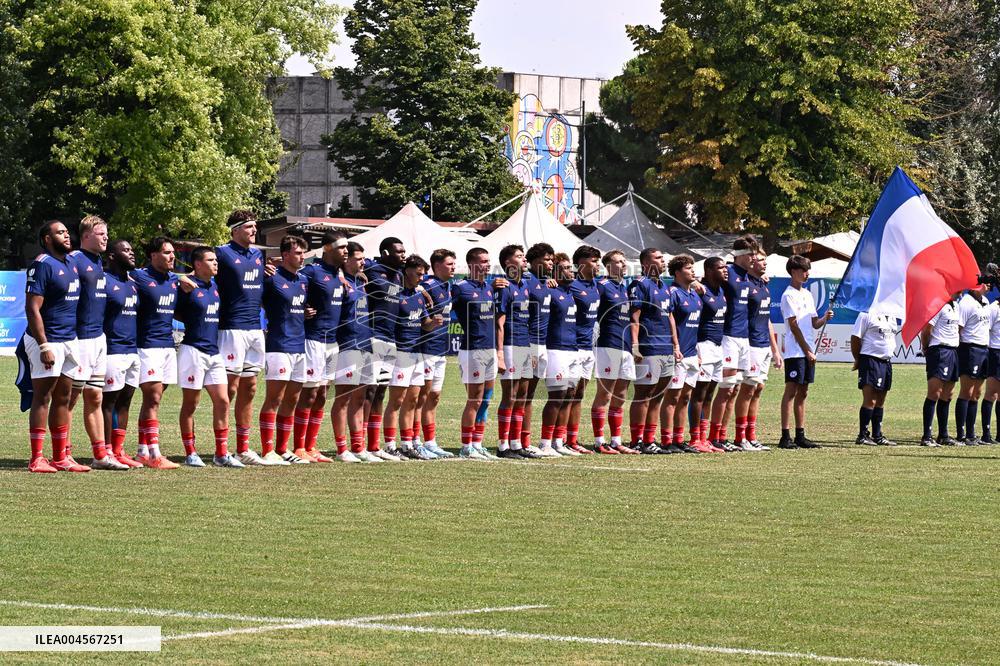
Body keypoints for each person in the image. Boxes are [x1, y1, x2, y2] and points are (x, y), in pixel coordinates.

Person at [23, 221, 87, 473]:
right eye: (59, 232)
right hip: (48, 340)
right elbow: (32, 308)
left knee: (64, 397)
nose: (66, 235)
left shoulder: (70, 263)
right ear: (47, 239)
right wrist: (43, 345)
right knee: (43, 397)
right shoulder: (42, 264)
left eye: (66, 231)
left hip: (69, 340)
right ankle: (37, 457)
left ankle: (61, 457)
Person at [67, 216, 128, 470]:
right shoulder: (74, 260)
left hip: (98, 339)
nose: (106, 238)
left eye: (106, 234)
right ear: (86, 236)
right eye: (101, 233)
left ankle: (100, 455)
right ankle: (64, 453)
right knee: (69, 399)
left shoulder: (99, 261)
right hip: (80, 338)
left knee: (95, 397)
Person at [175, 246, 243, 467]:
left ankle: (221, 453)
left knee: (223, 401)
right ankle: (190, 452)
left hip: (214, 352)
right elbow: (169, 284)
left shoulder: (214, 286)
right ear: (197, 264)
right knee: (191, 404)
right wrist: (180, 279)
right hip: (192, 350)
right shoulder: (185, 286)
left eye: (216, 259)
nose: (216, 263)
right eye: (210, 260)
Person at [213, 210, 269, 465]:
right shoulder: (222, 253)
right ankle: (221, 450)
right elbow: (203, 271)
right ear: (235, 230)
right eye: (249, 227)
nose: (254, 231)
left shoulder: (258, 255)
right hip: (231, 328)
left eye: (255, 226)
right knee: (230, 389)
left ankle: (243, 449)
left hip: (255, 329)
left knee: (251, 387)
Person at [257, 235, 313, 464]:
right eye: (298, 253)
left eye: (303, 253)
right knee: (275, 398)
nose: (302, 257)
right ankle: (267, 450)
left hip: (300, 345)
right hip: (278, 345)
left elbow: (298, 306)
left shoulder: (303, 280)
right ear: (286, 254)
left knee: (292, 398)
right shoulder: (271, 278)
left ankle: (283, 449)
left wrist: (306, 312)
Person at [295, 230, 349, 463]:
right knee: (308, 394)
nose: (346, 251)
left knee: (322, 395)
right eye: (341, 247)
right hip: (313, 340)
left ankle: (311, 446)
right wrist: (303, 309)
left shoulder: (338, 274)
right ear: (327, 248)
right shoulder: (311, 272)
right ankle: (298, 447)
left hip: (331, 342)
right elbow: (293, 291)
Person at [384, 255, 441, 459]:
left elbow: (424, 323)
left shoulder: (418, 296)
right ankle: (390, 445)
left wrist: (433, 322)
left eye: (424, 273)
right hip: (401, 353)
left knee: (413, 400)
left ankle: (407, 443)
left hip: (417, 353)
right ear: (407, 271)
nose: (422, 277)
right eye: (419, 273)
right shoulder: (396, 295)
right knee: (396, 400)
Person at [132, 236, 181, 469]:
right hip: (147, 345)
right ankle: (154, 453)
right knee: (152, 398)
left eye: (172, 252)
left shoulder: (174, 280)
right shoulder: (139, 277)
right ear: (153, 255)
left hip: (168, 346)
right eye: (166, 252)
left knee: (154, 400)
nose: (172, 256)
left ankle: (142, 451)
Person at [709, 235, 759, 449]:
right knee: (726, 388)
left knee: (736, 389)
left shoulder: (748, 278)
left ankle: (724, 436)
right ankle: (714, 437)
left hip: (744, 338)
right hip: (728, 337)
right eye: (750, 255)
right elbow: (706, 279)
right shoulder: (728, 272)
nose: (753, 259)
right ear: (740, 256)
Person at [778, 255, 832, 449]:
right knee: (791, 391)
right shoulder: (788, 295)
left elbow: (814, 324)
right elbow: (794, 327)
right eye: (803, 270)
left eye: (808, 270)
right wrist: (807, 350)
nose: (807, 274)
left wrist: (825, 317)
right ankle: (785, 436)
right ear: (794, 272)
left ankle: (801, 435)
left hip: (808, 351)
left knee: (804, 392)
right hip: (796, 352)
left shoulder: (808, 294)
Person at [628, 247, 677, 454]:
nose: (663, 260)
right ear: (646, 263)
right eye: (658, 258)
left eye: (663, 257)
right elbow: (634, 317)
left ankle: (649, 440)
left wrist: (675, 345)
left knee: (658, 395)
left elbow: (670, 316)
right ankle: (637, 440)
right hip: (649, 347)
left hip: (666, 347)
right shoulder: (640, 285)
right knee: (643, 394)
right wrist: (635, 345)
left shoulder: (665, 286)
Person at [331, 242, 376, 463]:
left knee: (361, 396)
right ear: (345, 259)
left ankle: (358, 447)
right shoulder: (338, 282)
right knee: (343, 398)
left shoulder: (360, 281)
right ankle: (342, 449)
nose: (363, 262)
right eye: (358, 258)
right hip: (347, 344)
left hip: (365, 343)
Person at [452, 247, 498, 459]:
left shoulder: (488, 287)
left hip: (490, 350)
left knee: (486, 399)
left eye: (488, 261)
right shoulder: (460, 288)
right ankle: (466, 446)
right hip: (473, 350)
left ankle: (478, 443)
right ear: (471, 264)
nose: (487, 265)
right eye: (483, 261)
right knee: (475, 400)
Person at [733, 251, 782, 451]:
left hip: (763, 345)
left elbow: (767, 319)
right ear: (750, 262)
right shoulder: (744, 284)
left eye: (765, 260)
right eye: (760, 260)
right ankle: (740, 437)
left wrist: (775, 350)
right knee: (747, 389)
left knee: (758, 389)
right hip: (750, 343)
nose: (764, 263)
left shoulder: (763, 285)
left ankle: (751, 436)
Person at [101, 239, 144, 467]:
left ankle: (118, 451)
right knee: (108, 402)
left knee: (125, 401)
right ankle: (106, 450)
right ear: (111, 256)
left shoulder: (134, 282)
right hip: (112, 351)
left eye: (131, 249)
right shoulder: (104, 281)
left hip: (132, 350)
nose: (131, 253)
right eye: (125, 250)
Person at [591, 249, 637, 454]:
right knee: (605, 394)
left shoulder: (625, 288)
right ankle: (599, 441)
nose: (623, 264)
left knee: (620, 394)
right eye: (618, 261)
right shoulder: (601, 286)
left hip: (625, 346)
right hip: (607, 345)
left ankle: (616, 440)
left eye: (624, 261)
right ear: (607, 266)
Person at [365, 236, 407, 458]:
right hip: (373, 337)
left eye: (403, 251)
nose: (403, 254)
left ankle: (374, 446)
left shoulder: (398, 275)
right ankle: (360, 444)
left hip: (390, 339)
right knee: (369, 390)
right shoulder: (373, 270)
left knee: (381, 391)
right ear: (385, 253)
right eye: (399, 251)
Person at [495, 244, 538, 458]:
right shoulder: (504, 286)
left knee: (522, 395)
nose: (524, 260)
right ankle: (503, 446)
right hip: (510, 344)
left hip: (524, 343)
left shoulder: (524, 285)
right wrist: (500, 353)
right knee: (510, 395)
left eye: (524, 257)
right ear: (508, 263)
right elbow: (499, 323)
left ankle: (516, 443)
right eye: (519, 257)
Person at [664, 254, 708, 452]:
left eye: (693, 267)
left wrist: (697, 351)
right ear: (677, 272)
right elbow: (668, 320)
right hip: (679, 353)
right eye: (689, 268)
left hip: (692, 353)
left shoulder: (694, 295)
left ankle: (679, 439)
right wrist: (675, 347)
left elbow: (695, 327)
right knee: (672, 397)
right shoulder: (672, 293)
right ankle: (667, 440)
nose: (693, 271)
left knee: (685, 397)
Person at [416, 248, 456, 458]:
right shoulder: (428, 285)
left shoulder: (448, 286)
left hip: (441, 349)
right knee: (421, 397)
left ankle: (430, 441)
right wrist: (419, 289)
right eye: (450, 264)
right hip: (426, 348)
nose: (454, 267)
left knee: (434, 397)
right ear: (437, 266)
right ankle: (414, 441)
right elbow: (412, 288)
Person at [539, 253, 581, 456]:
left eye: (571, 267)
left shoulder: (571, 291)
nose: (570, 270)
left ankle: (558, 442)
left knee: (570, 396)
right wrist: (546, 281)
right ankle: (545, 442)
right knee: (557, 395)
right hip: (556, 348)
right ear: (555, 272)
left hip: (573, 349)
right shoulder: (551, 291)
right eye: (565, 268)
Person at [563, 245, 602, 454]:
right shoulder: (572, 285)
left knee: (579, 395)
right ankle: (557, 440)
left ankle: (572, 440)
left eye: (598, 261)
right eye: (594, 261)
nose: (598, 265)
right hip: (572, 347)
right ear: (581, 264)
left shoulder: (597, 285)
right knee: (566, 394)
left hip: (589, 348)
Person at [692, 257, 730, 451]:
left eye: (725, 267)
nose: (725, 270)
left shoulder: (722, 290)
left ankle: (704, 438)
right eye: (720, 267)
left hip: (717, 346)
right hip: (703, 345)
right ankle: (694, 438)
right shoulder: (700, 289)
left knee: (709, 395)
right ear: (708, 270)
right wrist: (693, 282)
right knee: (698, 394)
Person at [521, 243, 555, 454]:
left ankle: (525, 441)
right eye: (547, 259)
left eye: (552, 259)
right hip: (530, 342)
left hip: (544, 343)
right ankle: (518, 441)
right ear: (534, 261)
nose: (551, 262)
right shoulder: (526, 280)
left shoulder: (546, 282)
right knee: (522, 394)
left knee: (531, 394)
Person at [851, 311, 901, 445]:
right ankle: (862, 435)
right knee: (870, 400)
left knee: (880, 400)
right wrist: (858, 359)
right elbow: (855, 338)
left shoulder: (892, 316)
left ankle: (877, 435)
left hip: (886, 361)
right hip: (870, 360)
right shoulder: (866, 314)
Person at [919, 298, 960, 446]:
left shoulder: (956, 305)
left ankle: (943, 435)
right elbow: (926, 329)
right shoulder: (936, 304)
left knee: (948, 395)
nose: (961, 290)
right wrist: (926, 348)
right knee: (934, 393)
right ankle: (927, 436)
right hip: (939, 350)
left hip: (953, 351)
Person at [954, 284, 991, 445]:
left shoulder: (985, 301)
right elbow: (958, 328)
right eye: (986, 281)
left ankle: (971, 433)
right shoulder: (966, 302)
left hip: (983, 349)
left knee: (977, 393)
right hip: (970, 348)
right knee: (967, 392)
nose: (989, 285)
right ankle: (961, 433)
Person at [982, 294, 1000, 444]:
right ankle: (986, 434)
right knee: (992, 393)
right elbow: (985, 331)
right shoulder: (994, 308)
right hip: (995, 352)